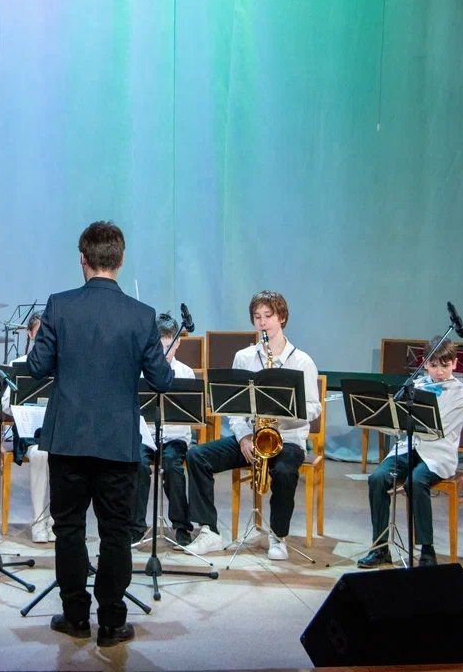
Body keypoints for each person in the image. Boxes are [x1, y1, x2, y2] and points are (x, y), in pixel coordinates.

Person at [28, 220, 174, 648]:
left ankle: (75, 617)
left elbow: (37, 367)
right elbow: (162, 380)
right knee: (115, 533)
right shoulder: (142, 315)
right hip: (117, 441)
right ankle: (111, 623)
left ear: (83, 259)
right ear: (121, 260)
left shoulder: (59, 306)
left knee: (69, 529)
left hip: (68, 437)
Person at [185, 290, 320, 562]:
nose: (262, 322)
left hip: (287, 439)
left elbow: (314, 408)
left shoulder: (302, 361)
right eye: (257, 317)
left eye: (268, 316)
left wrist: (282, 416)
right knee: (197, 456)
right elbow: (233, 409)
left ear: (281, 318)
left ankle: (278, 536)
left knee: (284, 471)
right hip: (252, 437)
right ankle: (209, 531)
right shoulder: (244, 357)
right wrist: (244, 436)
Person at [357, 337, 463, 569]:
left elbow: (437, 429)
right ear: (425, 364)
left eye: (445, 365)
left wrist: (409, 420)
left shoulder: (460, 394)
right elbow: (397, 425)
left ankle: (427, 550)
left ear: (454, 363)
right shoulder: (415, 386)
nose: (439, 371)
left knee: (415, 482)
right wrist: (384, 419)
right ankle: (380, 548)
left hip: (438, 453)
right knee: (377, 479)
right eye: (433, 365)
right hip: (409, 447)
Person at [130, 313, 197, 547]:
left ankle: (181, 526)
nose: (165, 351)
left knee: (172, 466)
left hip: (175, 438)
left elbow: (190, 414)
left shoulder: (186, 373)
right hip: (147, 436)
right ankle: (136, 526)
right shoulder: (141, 371)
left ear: (178, 343)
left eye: (169, 345)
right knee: (138, 464)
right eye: (160, 346)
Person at [4, 312, 54, 543]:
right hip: (29, 430)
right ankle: (38, 520)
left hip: (54, 427)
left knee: (66, 456)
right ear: (30, 334)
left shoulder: (62, 364)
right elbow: (6, 404)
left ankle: (56, 520)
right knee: (40, 454)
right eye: (39, 331)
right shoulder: (19, 365)